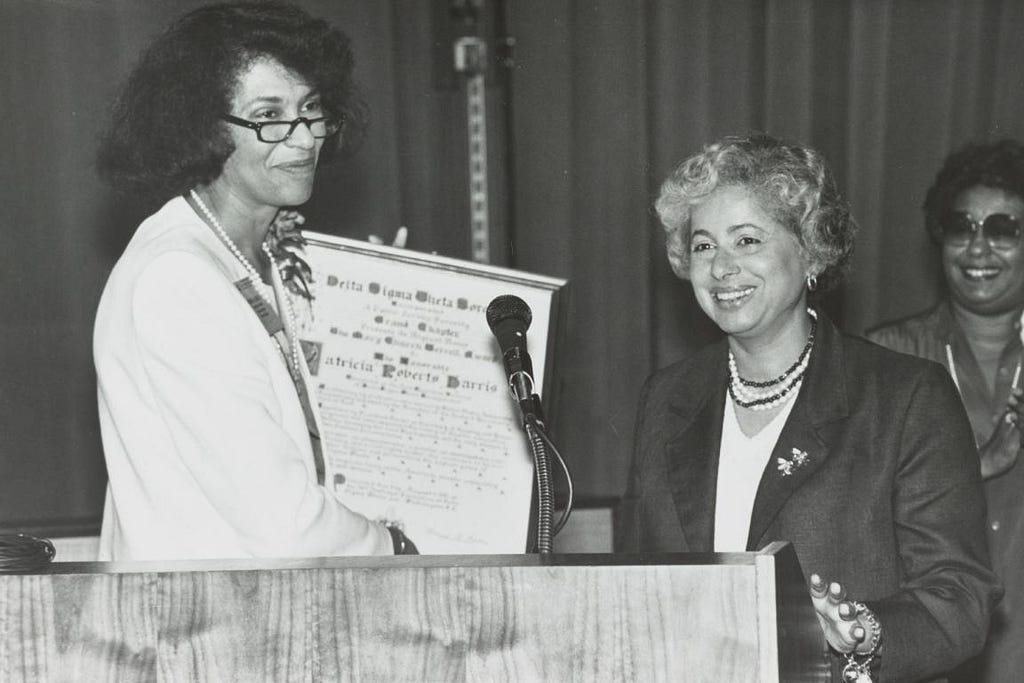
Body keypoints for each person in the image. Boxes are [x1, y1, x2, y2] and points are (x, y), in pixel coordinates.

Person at [616, 134, 1000, 682]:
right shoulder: (667, 399)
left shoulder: (906, 397)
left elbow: (960, 597)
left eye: (747, 240)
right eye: (703, 246)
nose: (722, 268)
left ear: (811, 250)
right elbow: (640, 586)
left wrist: (863, 630)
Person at [93, 1, 414, 561]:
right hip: (208, 631)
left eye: (311, 108)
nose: (304, 138)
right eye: (268, 116)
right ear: (200, 128)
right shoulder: (178, 277)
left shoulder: (249, 253)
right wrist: (393, 544)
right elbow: (283, 523)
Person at [866, 139, 1024, 682]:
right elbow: (857, 507)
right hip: (933, 657)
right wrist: (969, 467)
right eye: (962, 227)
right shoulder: (887, 356)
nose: (978, 248)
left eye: (1003, 229)